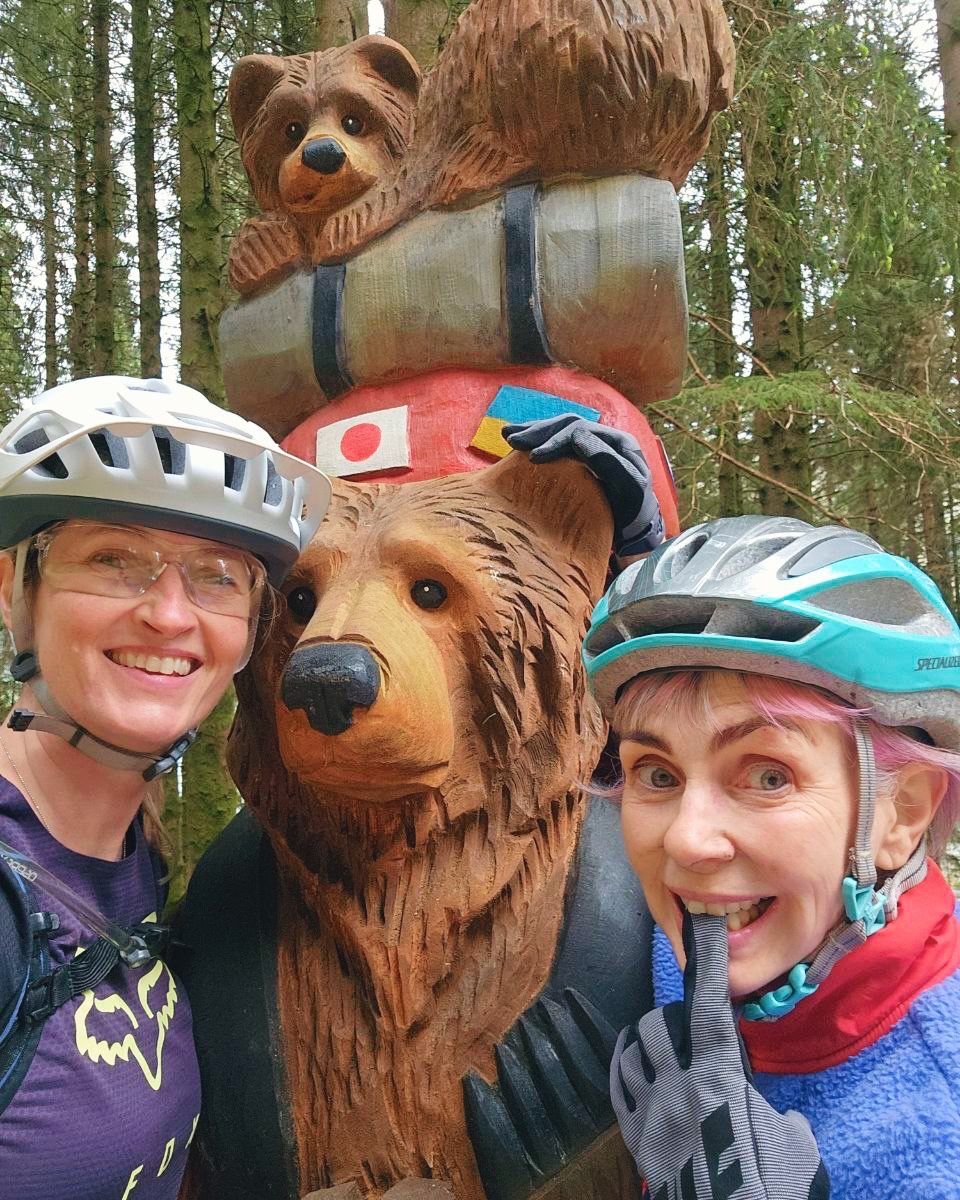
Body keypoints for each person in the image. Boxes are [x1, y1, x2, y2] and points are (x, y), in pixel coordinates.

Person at [0, 376, 330, 1199]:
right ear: (13, 589)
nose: (170, 615)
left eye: (217, 576)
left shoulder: (132, 854)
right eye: (114, 560)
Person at [582, 514, 960, 1200]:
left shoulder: (942, 1131)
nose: (687, 841)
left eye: (767, 776)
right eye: (657, 774)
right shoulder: (672, 951)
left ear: (902, 814)